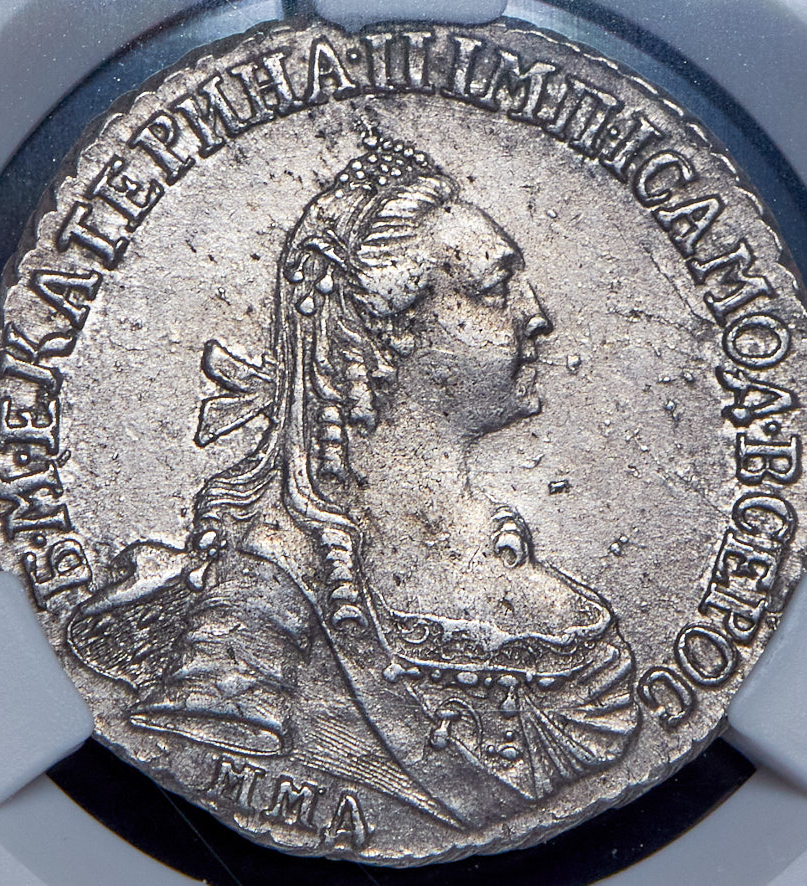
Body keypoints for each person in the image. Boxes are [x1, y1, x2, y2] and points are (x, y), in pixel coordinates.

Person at [69, 134, 639, 829]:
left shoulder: (549, 601)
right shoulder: (258, 600)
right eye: (494, 290)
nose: (538, 315)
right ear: (378, 336)